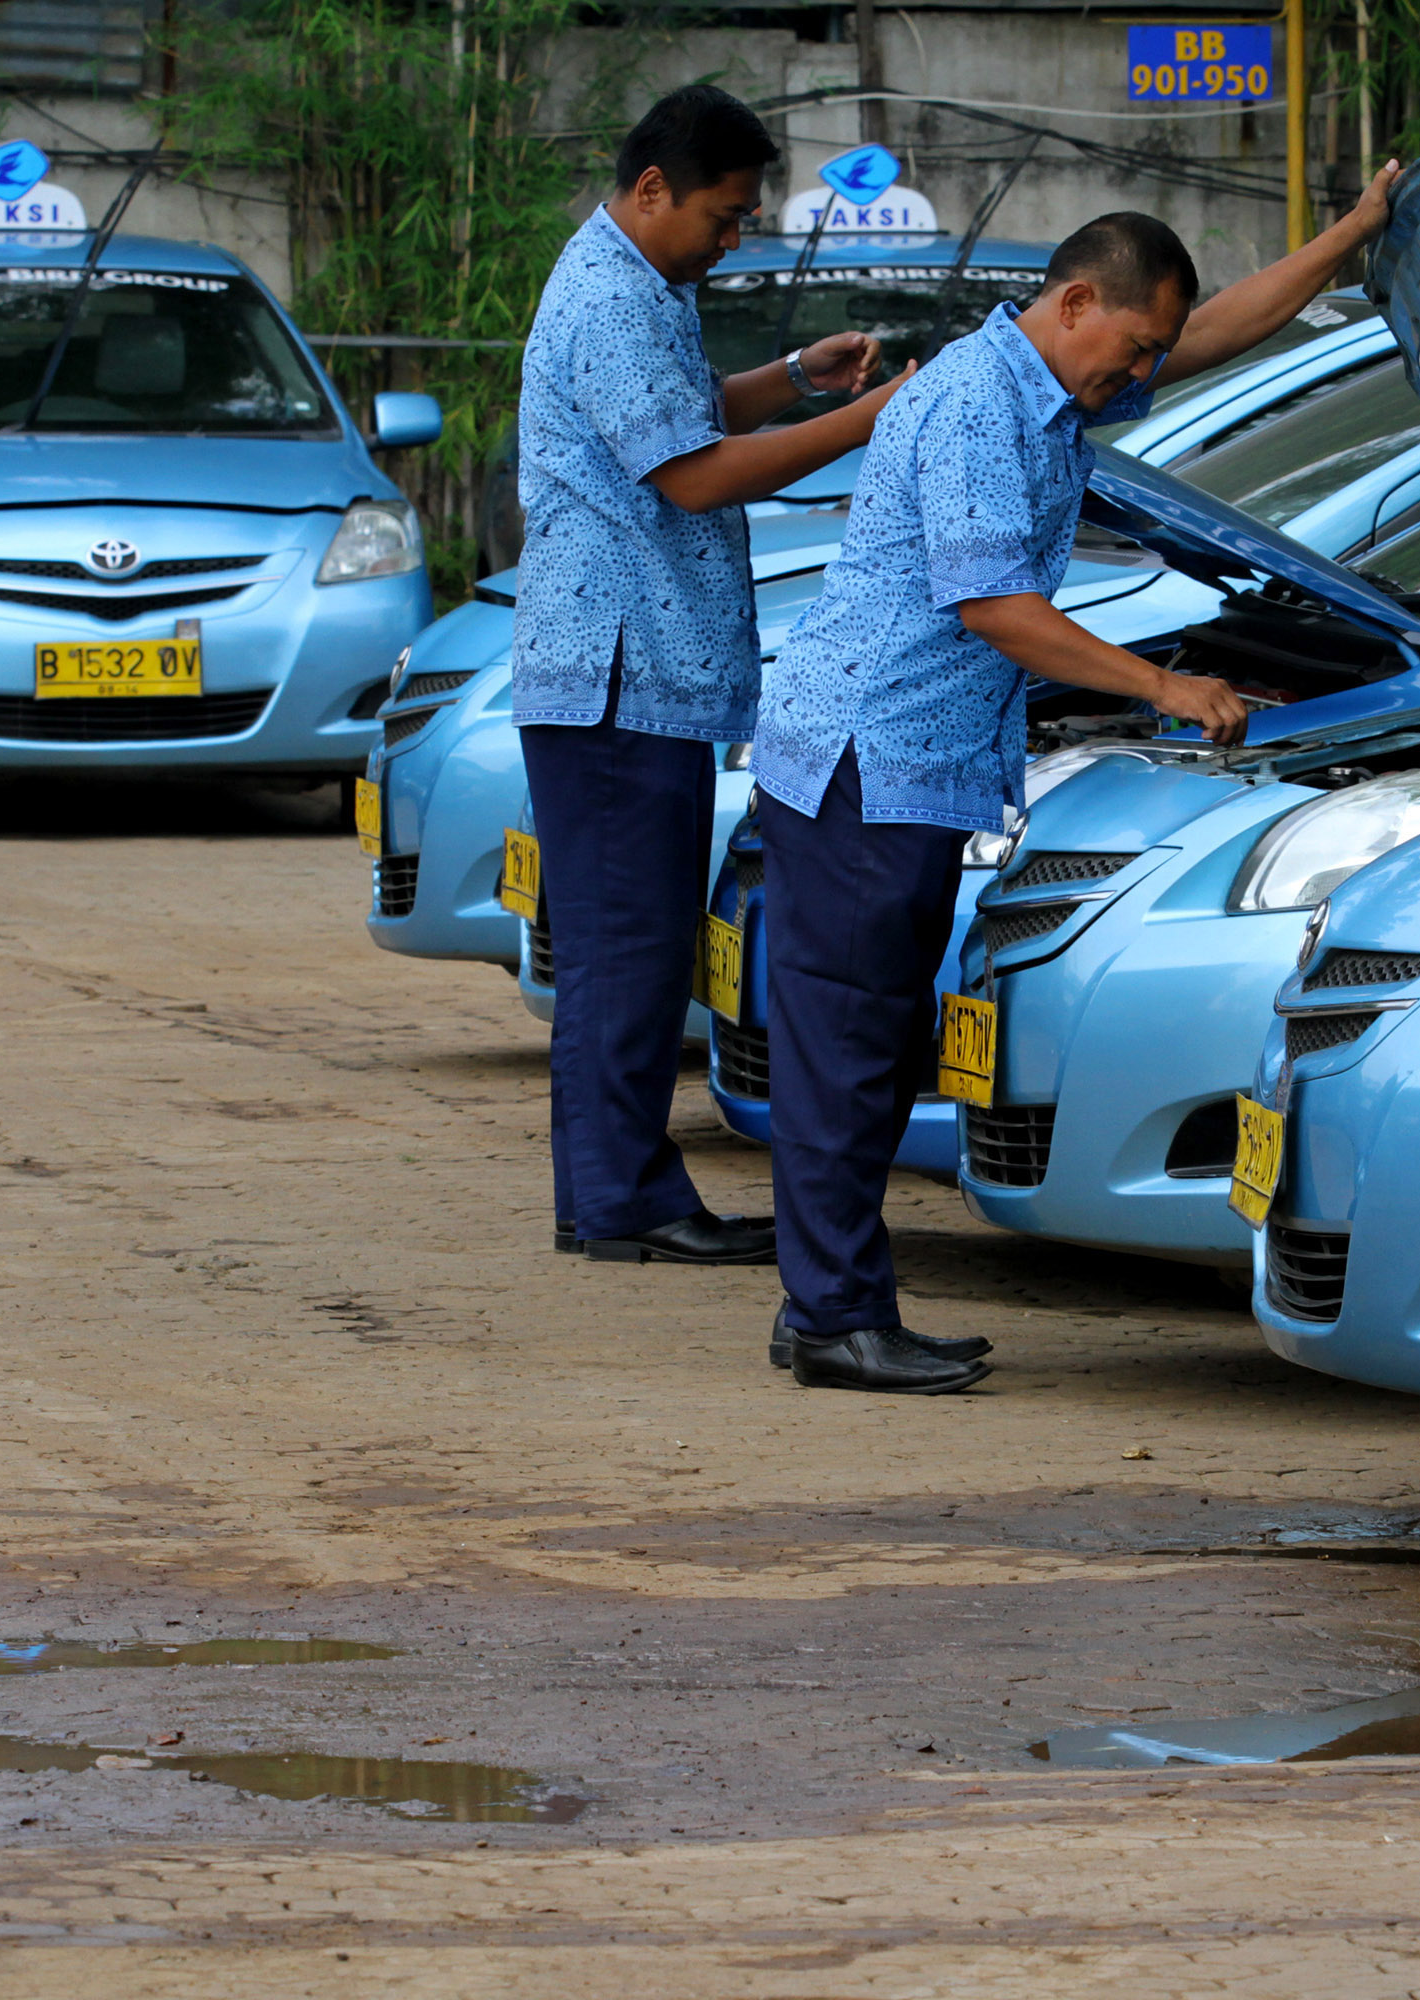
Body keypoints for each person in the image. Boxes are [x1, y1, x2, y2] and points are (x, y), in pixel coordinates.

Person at [753, 173, 1402, 1393]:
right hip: (864, 758)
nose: (1145, 370)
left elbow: (1216, 330)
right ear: (1074, 303)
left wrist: (1354, 236)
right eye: (1135, 346)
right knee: (848, 1044)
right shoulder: (974, 403)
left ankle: (825, 1302)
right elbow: (995, 604)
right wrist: (1164, 685)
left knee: (874, 1043)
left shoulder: (1056, 375)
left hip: (914, 765)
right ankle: (834, 1315)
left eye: (1152, 352)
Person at [516, 85, 910, 1267]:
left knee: (629, 947)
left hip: (639, 675)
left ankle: (607, 1191)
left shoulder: (640, 284)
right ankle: (623, 1195)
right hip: (616, 677)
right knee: (627, 951)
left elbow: (679, 417)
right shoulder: (612, 297)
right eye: (725, 215)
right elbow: (693, 473)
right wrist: (873, 419)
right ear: (653, 190)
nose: (732, 238)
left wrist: (796, 376)